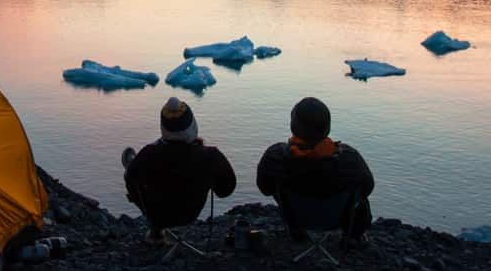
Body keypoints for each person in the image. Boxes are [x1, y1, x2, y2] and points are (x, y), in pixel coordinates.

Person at [255, 97, 374, 242]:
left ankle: (297, 231)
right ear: (327, 128)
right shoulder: (350, 158)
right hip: (337, 221)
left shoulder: (275, 156)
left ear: (293, 125)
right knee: (360, 190)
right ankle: (354, 237)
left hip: (296, 218)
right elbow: (368, 188)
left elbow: (265, 189)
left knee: (276, 184)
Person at [122, 97, 236, 241]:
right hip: (189, 214)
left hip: (157, 214)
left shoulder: (148, 153)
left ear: (163, 127)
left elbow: (130, 180)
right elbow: (226, 190)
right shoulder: (210, 155)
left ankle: (156, 231)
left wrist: (137, 197)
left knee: (132, 173)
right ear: (192, 125)